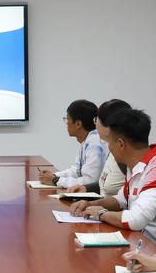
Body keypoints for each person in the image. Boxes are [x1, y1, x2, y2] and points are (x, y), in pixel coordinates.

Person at [69, 109, 156, 241]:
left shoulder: (153, 169)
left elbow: (134, 220)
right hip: (141, 243)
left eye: (109, 141)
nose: (108, 147)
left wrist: (100, 214)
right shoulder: (136, 165)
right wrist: (89, 205)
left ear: (120, 144)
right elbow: (121, 199)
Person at [66, 99, 130, 196]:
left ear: (109, 126)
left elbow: (124, 200)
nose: (95, 124)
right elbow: (104, 185)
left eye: (97, 120)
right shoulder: (112, 151)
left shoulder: (124, 157)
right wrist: (86, 188)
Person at [39, 99, 107, 188]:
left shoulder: (95, 144)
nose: (66, 123)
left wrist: (55, 180)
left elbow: (90, 181)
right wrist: (54, 176)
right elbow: (76, 171)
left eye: (67, 119)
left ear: (78, 124)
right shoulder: (88, 140)